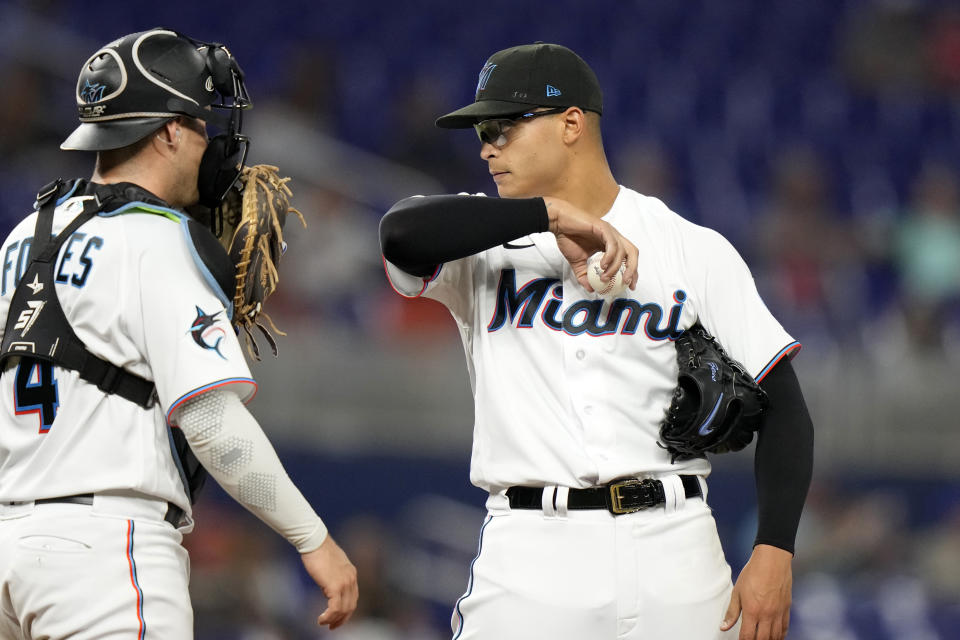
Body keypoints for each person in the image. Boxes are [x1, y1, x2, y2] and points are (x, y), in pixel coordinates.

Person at [379, 43, 814, 640]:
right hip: (533, 554)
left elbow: (786, 407)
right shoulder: (481, 242)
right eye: (482, 131)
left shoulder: (690, 247)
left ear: (571, 124)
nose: (486, 146)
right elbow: (399, 232)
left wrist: (775, 549)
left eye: (502, 126)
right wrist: (550, 217)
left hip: (676, 547)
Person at [0, 28, 357, 638]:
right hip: (106, 552)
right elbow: (213, 423)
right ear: (167, 131)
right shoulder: (156, 238)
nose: (208, 143)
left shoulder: (24, 236)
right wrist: (313, 538)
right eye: (199, 125)